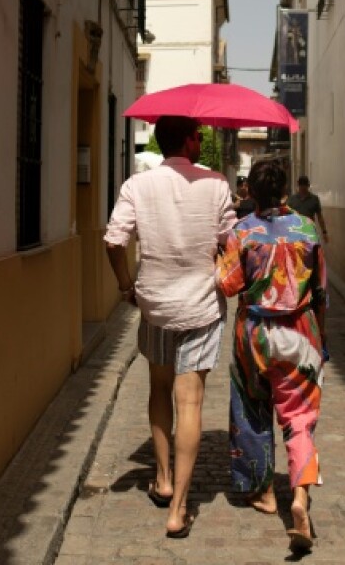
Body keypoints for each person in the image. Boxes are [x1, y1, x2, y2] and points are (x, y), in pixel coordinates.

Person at [104, 115, 236, 539]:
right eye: (199, 135)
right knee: (190, 403)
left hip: (156, 307)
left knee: (159, 389)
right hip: (200, 308)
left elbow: (114, 241)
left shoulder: (137, 185)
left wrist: (126, 285)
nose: (201, 140)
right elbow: (230, 241)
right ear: (189, 140)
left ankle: (161, 479)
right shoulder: (216, 184)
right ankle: (178, 509)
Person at [216, 158, 328, 553]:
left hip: (255, 334)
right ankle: (299, 497)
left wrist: (219, 256)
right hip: (301, 331)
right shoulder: (307, 228)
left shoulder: (242, 231)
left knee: (252, 409)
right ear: (284, 190)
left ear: (250, 191)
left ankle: (263, 493)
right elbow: (321, 290)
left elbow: (228, 285)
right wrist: (322, 339)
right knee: (300, 420)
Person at [286, 175, 328, 244]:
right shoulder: (292, 200)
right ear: (298, 185)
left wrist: (324, 232)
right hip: (296, 234)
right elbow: (287, 216)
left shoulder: (314, 199)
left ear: (308, 185)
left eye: (304, 185)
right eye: (301, 185)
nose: (303, 187)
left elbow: (320, 217)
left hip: (310, 233)